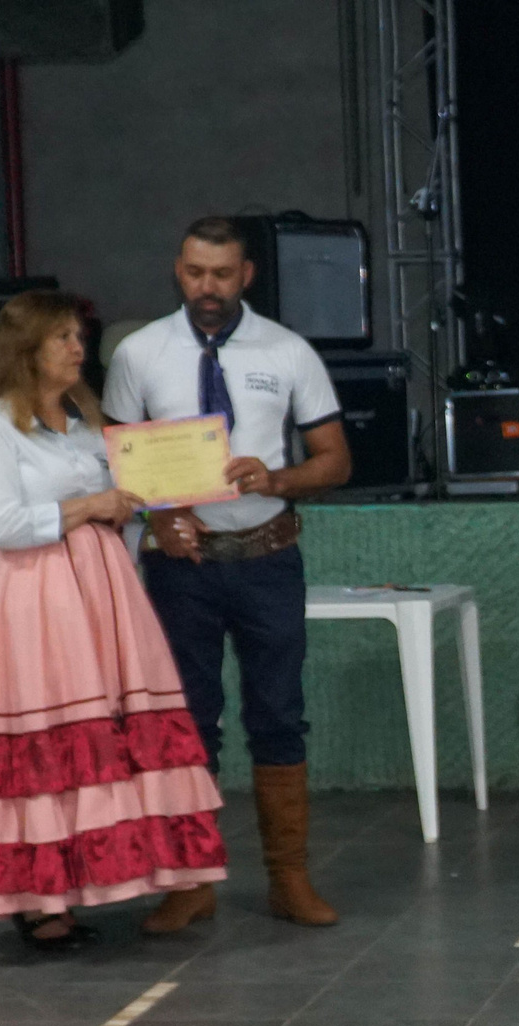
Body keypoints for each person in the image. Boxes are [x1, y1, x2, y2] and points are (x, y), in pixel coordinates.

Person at [0, 290, 229, 951]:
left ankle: (85, 876)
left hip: (98, 587)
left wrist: (137, 513)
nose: (77, 348)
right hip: (35, 592)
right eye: (62, 336)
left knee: (102, 735)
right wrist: (89, 506)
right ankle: (38, 895)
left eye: (78, 336)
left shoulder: (86, 425)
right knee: (45, 732)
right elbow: (3, 524)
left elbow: (120, 505)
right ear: (27, 348)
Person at [103, 217, 353, 934]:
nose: (206, 289)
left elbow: (335, 460)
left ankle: (290, 879)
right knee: (187, 723)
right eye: (193, 273)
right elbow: (116, 464)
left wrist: (274, 475)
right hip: (180, 567)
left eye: (221, 275)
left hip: (269, 556)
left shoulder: (289, 350)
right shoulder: (139, 352)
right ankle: (190, 881)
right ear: (176, 271)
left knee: (279, 715)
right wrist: (156, 517)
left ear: (247, 276)